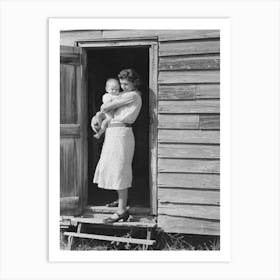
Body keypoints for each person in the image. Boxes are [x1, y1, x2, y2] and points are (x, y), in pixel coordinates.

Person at [92, 69, 142, 223]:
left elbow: (106, 107)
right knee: (113, 166)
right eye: (121, 84)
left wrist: (103, 110)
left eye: (126, 84)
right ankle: (122, 200)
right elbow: (104, 110)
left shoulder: (133, 95)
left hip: (122, 134)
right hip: (113, 133)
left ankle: (121, 210)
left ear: (134, 83)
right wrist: (96, 117)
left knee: (120, 168)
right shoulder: (122, 95)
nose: (123, 86)